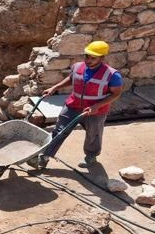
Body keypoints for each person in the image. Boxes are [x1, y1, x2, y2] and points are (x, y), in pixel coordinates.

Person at [32, 40, 124, 169]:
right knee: (59, 131)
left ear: (102, 58)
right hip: (72, 106)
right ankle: (44, 157)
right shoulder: (77, 66)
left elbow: (116, 94)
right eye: (87, 56)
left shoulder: (112, 75)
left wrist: (96, 106)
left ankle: (91, 157)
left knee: (93, 135)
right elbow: (71, 79)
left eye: (93, 58)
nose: (88, 60)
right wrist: (54, 88)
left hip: (94, 112)